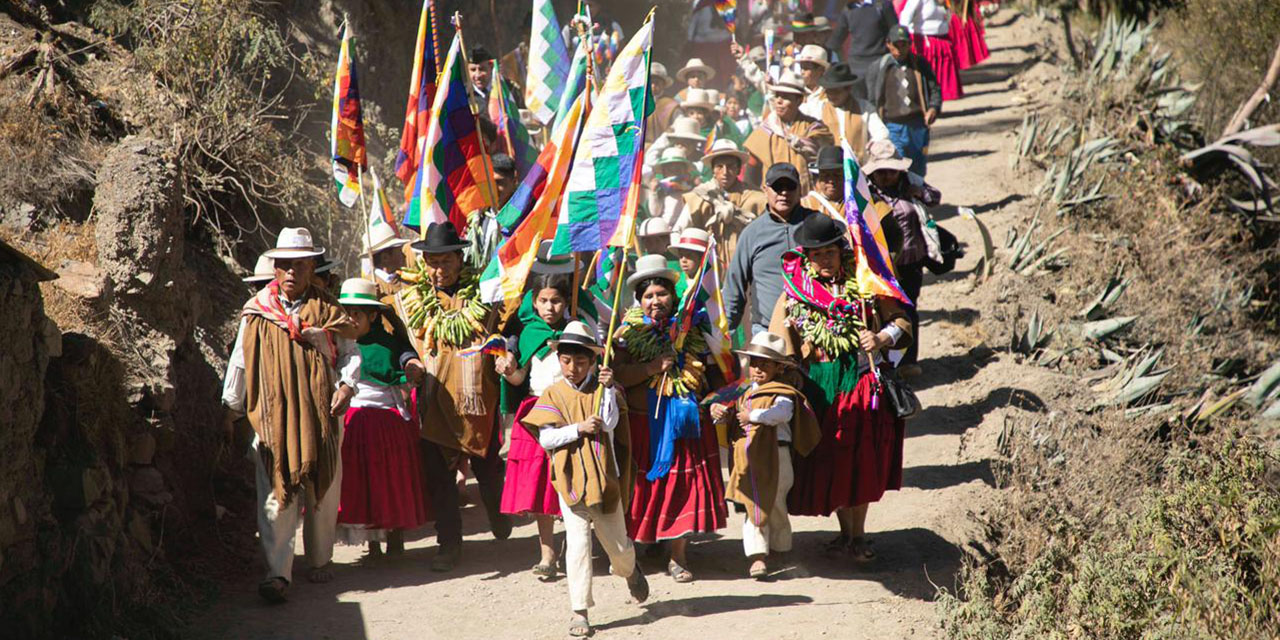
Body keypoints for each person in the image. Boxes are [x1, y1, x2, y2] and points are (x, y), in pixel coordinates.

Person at [221, 227, 360, 603]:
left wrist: (346, 386)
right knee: (275, 493)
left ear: (312, 266)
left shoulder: (330, 309)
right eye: (284, 265)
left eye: (299, 264)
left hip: (323, 415)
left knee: (323, 488)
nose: (291, 272)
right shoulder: (257, 312)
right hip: (272, 417)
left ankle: (319, 557)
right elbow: (240, 361)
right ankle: (278, 572)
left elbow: (350, 353)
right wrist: (232, 406)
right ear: (276, 268)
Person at [767, 214, 911, 562]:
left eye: (830, 252)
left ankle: (858, 535)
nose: (825, 260)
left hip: (860, 383)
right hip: (819, 386)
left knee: (859, 458)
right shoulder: (795, 293)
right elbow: (779, 341)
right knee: (830, 459)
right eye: (817, 255)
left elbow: (902, 320)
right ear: (807, 257)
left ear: (840, 251)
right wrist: (784, 379)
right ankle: (845, 534)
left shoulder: (866, 283)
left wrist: (880, 337)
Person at [520, 321, 650, 638]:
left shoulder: (607, 389)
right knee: (577, 546)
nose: (573, 367)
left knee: (618, 548)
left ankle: (630, 571)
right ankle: (580, 611)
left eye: (580, 361)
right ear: (559, 360)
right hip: (571, 481)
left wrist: (606, 389)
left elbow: (608, 423)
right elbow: (547, 439)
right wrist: (577, 429)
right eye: (566, 360)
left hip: (605, 480)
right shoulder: (553, 393)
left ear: (593, 361)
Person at [406, 221, 516, 572]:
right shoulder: (414, 300)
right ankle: (449, 544)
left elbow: (509, 329)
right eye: (431, 262)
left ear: (459, 258)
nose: (438, 269)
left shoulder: (485, 292)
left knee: (488, 469)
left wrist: (508, 351)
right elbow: (399, 341)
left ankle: (498, 512)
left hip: (477, 400)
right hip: (436, 400)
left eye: (444, 261)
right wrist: (407, 360)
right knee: (439, 479)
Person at [614, 255, 727, 583]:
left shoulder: (694, 329)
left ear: (674, 297)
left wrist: (717, 402)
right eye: (648, 296)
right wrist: (649, 369)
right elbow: (617, 374)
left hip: (686, 423)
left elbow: (716, 373)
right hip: (644, 423)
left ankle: (678, 556)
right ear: (639, 300)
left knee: (682, 486)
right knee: (643, 489)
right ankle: (642, 545)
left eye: (661, 294)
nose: (655, 301)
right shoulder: (625, 333)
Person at [709, 332, 819, 579]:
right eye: (754, 363)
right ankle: (757, 556)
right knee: (754, 504)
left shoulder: (783, 392)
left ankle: (780, 546)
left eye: (765, 364)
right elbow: (730, 416)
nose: (757, 368)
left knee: (776, 503)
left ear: (779, 367)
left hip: (777, 457)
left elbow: (782, 414)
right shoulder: (742, 392)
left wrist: (753, 417)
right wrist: (722, 415)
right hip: (749, 458)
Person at [334, 278, 431, 559]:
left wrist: (413, 367)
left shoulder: (389, 344)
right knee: (362, 479)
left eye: (357, 314)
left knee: (390, 478)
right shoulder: (339, 345)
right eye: (347, 312)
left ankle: (395, 534)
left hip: (385, 422)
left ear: (373, 316)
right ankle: (372, 540)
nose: (351, 320)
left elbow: (407, 359)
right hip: (353, 419)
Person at [496, 259, 576, 579]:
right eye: (542, 300)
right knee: (543, 486)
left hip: (571, 412)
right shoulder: (529, 333)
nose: (549, 307)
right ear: (533, 301)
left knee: (572, 482)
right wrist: (509, 370)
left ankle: (574, 544)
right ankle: (547, 553)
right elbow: (520, 380)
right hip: (536, 414)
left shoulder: (576, 331)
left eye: (556, 300)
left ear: (566, 301)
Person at [864, 139, 940, 376]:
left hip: (911, 262)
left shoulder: (910, 183)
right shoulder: (865, 193)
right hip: (883, 266)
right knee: (885, 313)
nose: (887, 177)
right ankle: (887, 360)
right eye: (881, 172)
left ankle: (909, 361)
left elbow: (935, 197)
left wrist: (918, 192)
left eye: (891, 171)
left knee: (909, 310)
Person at [724, 163, 819, 337]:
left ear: (799, 189)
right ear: (765, 189)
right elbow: (734, 286)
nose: (784, 193)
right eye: (777, 187)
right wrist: (724, 335)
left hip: (817, 328)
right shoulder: (752, 233)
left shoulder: (816, 223)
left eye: (790, 187)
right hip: (767, 331)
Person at [865, 25, 942, 176]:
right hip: (892, 126)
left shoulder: (920, 64)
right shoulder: (879, 68)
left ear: (910, 45)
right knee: (896, 167)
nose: (899, 49)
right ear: (888, 44)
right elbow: (872, 98)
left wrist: (933, 108)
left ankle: (916, 197)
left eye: (904, 44)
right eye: (896, 45)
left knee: (917, 167)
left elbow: (935, 89)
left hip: (917, 125)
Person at [742, 72, 833, 193]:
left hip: (806, 199)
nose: (779, 101)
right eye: (777, 95)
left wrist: (800, 143)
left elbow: (822, 155)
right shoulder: (764, 132)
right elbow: (751, 173)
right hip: (774, 199)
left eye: (786, 97)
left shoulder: (814, 129)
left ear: (799, 100)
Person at [684, 139, 768, 266]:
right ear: (713, 170)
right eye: (719, 167)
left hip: (747, 265)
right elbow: (680, 230)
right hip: (710, 267)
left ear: (739, 170)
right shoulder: (699, 197)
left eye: (730, 167)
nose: (725, 172)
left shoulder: (756, 199)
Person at [813, 63, 891, 161]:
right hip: (830, 167)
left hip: (859, 167)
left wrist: (873, 144)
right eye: (829, 92)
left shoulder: (864, 107)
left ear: (848, 89)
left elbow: (881, 132)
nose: (832, 96)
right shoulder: (818, 108)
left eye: (836, 92)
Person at [899, 0, 963, 101]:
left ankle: (938, 103)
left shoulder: (945, 2)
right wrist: (905, 39)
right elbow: (905, 18)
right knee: (928, 75)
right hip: (924, 42)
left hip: (942, 40)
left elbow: (948, 17)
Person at [827, 0, 898, 80]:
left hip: (879, 65)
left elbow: (895, 33)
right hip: (855, 69)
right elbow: (835, 41)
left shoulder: (882, 5)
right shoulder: (849, 9)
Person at [648, 146, 697, 232]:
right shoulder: (661, 189)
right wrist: (653, 192)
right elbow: (654, 212)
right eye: (669, 169)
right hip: (667, 229)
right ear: (663, 171)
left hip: (687, 230)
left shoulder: (691, 189)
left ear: (685, 170)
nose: (673, 171)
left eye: (677, 168)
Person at [793, 44, 832, 118]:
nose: (802, 72)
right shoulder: (797, 93)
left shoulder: (829, 95)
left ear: (820, 70)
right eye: (801, 68)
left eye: (806, 68)